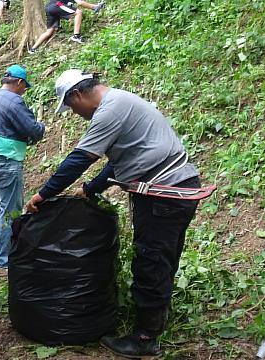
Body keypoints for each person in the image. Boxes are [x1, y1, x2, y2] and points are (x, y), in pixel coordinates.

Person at [25, 70, 203, 359]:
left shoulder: (109, 110)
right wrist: (91, 189)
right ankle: (157, 314)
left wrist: (42, 194)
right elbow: (119, 160)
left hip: (164, 193)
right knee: (162, 255)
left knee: (150, 260)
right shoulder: (122, 101)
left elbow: (80, 158)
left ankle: (145, 339)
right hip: (177, 187)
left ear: (77, 95)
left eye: (71, 107)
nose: (74, 113)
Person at [0, 65, 44, 269]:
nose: (24, 90)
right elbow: (32, 130)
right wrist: (41, 126)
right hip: (7, 162)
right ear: (19, 82)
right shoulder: (14, 101)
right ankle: (3, 257)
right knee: (10, 211)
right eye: (25, 86)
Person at [28, 0, 105, 53]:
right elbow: (80, 3)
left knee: (49, 32)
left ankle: (32, 49)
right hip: (56, 5)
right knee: (78, 12)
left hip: (50, 9)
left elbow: (68, 10)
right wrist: (94, 7)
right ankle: (76, 36)